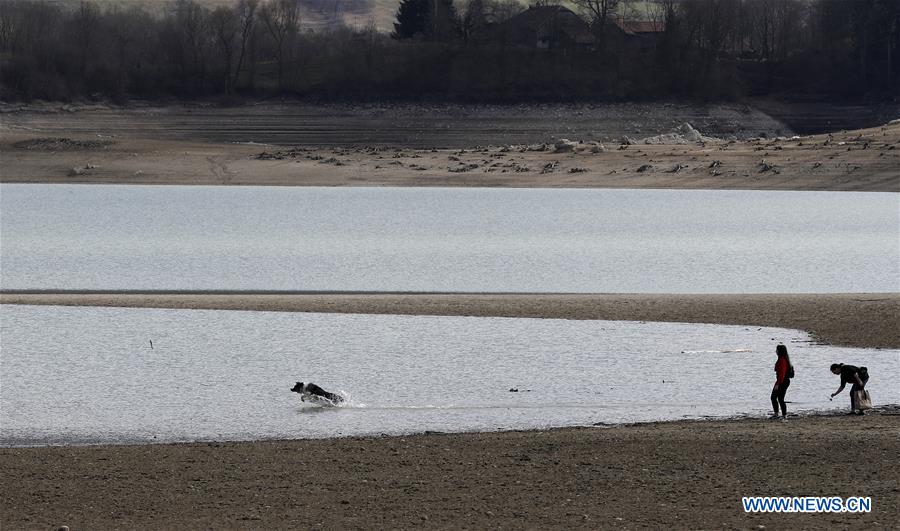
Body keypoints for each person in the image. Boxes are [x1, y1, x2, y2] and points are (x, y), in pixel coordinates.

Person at [770, 344, 792, 419]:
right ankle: (781, 414)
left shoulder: (782, 360)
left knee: (775, 397)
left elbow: (782, 374)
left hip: (783, 381)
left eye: (777, 350)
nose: (775, 351)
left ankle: (781, 414)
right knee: (779, 398)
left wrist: (777, 384)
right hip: (783, 381)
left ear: (779, 351)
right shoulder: (783, 359)